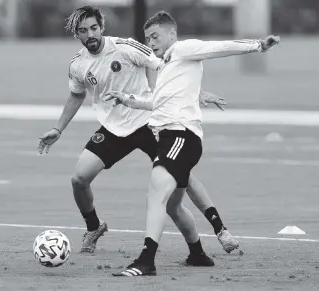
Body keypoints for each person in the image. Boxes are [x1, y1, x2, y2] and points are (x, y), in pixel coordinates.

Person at [37, 6, 238, 257]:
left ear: (102, 27)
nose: (90, 34)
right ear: (76, 34)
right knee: (78, 179)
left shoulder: (126, 47)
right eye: (83, 30)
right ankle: (94, 227)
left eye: (93, 28)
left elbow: (168, 66)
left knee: (182, 178)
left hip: (148, 122)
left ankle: (219, 230)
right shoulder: (78, 65)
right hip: (113, 129)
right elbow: (76, 95)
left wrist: (196, 92)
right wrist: (58, 128)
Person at [105, 11, 280, 276]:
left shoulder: (184, 50)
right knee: (173, 206)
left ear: (171, 33)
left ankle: (146, 260)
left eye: (155, 36)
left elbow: (218, 48)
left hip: (180, 137)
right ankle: (197, 254)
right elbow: (157, 103)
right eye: (147, 38)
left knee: (156, 193)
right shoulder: (167, 67)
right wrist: (127, 98)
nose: (151, 42)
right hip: (173, 139)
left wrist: (258, 45)